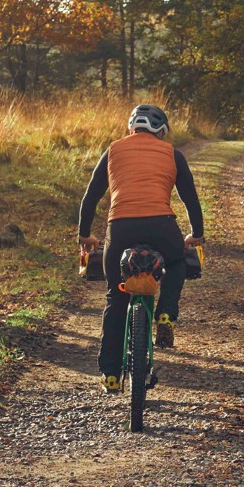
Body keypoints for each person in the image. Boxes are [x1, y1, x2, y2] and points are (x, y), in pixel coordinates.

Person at [78, 103, 204, 393]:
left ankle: (110, 374)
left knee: (115, 296)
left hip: (121, 228)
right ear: (162, 131)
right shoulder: (173, 153)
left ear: (131, 127)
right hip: (161, 226)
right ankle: (165, 314)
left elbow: (91, 197)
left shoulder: (113, 150)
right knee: (176, 262)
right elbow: (190, 200)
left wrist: (85, 236)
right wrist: (196, 234)